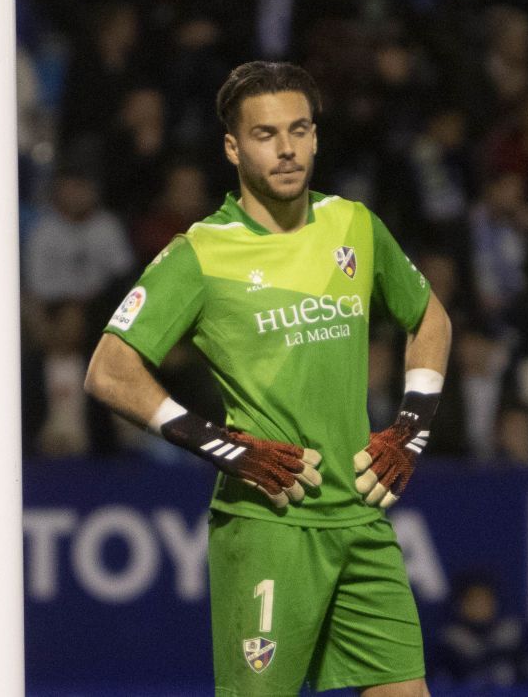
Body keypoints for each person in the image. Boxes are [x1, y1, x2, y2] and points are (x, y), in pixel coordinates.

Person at [84, 61, 452, 696]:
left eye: (299, 129)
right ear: (233, 147)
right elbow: (109, 371)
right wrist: (221, 445)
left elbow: (430, 318)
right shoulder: (199, 252)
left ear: (315, 136)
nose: (286, 148)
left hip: (361, 518)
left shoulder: (355, 226)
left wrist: (412, 427)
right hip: (269, 524)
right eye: (264, 134)